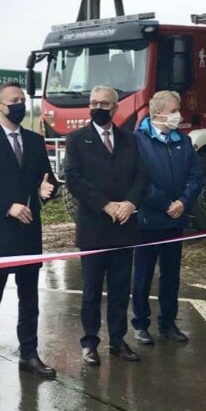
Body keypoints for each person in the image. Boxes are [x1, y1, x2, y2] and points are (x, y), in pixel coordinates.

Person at [0, 82, 59, 386]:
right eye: (13, 100)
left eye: (22, 99)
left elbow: (48, 181)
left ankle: (29, 354)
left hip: (29, 234)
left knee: (29, 298)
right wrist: (8, 207)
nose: (19, 104)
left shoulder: (34, 141)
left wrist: (48, 191)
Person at [64, 85, 147, 365]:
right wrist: (105, 204)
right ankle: (89, 342)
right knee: (91, 290)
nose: (98, 107)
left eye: (104, 103)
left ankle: (117, 340)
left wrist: (130, 203)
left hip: (124, 226)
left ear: (115, 108)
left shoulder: (130, 140)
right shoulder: (77, 139)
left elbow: (141, 177)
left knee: (121, 288)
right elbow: (73, 179)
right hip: (94, 228)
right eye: (94, 103)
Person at [131, 90, 202, 345]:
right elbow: (140, 180)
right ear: (157, 112)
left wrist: (183, 202)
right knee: (142, 275)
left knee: (171, 275)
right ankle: (140, 324)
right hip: (148, 220)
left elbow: (196, 176)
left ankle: (168, 323)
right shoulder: (138, 141)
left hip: (175, 219)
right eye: (174, 111)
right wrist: (165, 203)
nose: (178, 115)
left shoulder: (182, 141)